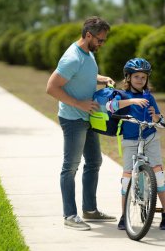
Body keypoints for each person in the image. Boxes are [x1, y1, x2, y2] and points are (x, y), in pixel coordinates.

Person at [46, 16, 116, 231]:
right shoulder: (72, 58)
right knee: (71, 167)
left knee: (94, 162)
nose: (102, 44)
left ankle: (90, 210)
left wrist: (102, 79)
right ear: (88, 35)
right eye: (100, 40)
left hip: (88, 117)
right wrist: (79, 103)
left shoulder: (87, 53)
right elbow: (51, 87)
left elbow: (85, 75)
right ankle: (70, 215)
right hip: (73, 118)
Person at [106, 58, 165, 230]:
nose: (140, 80)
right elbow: (109, 107)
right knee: (127, 178)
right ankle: (124, 215)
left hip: (150, 138)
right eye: (136, 77)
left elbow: (160, 118)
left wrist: (156, 117)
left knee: (158, 173)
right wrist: (131, 102)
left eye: (143, 77)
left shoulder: (149, 97)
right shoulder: (122, 94)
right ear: (128, 77)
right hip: (130, 140)